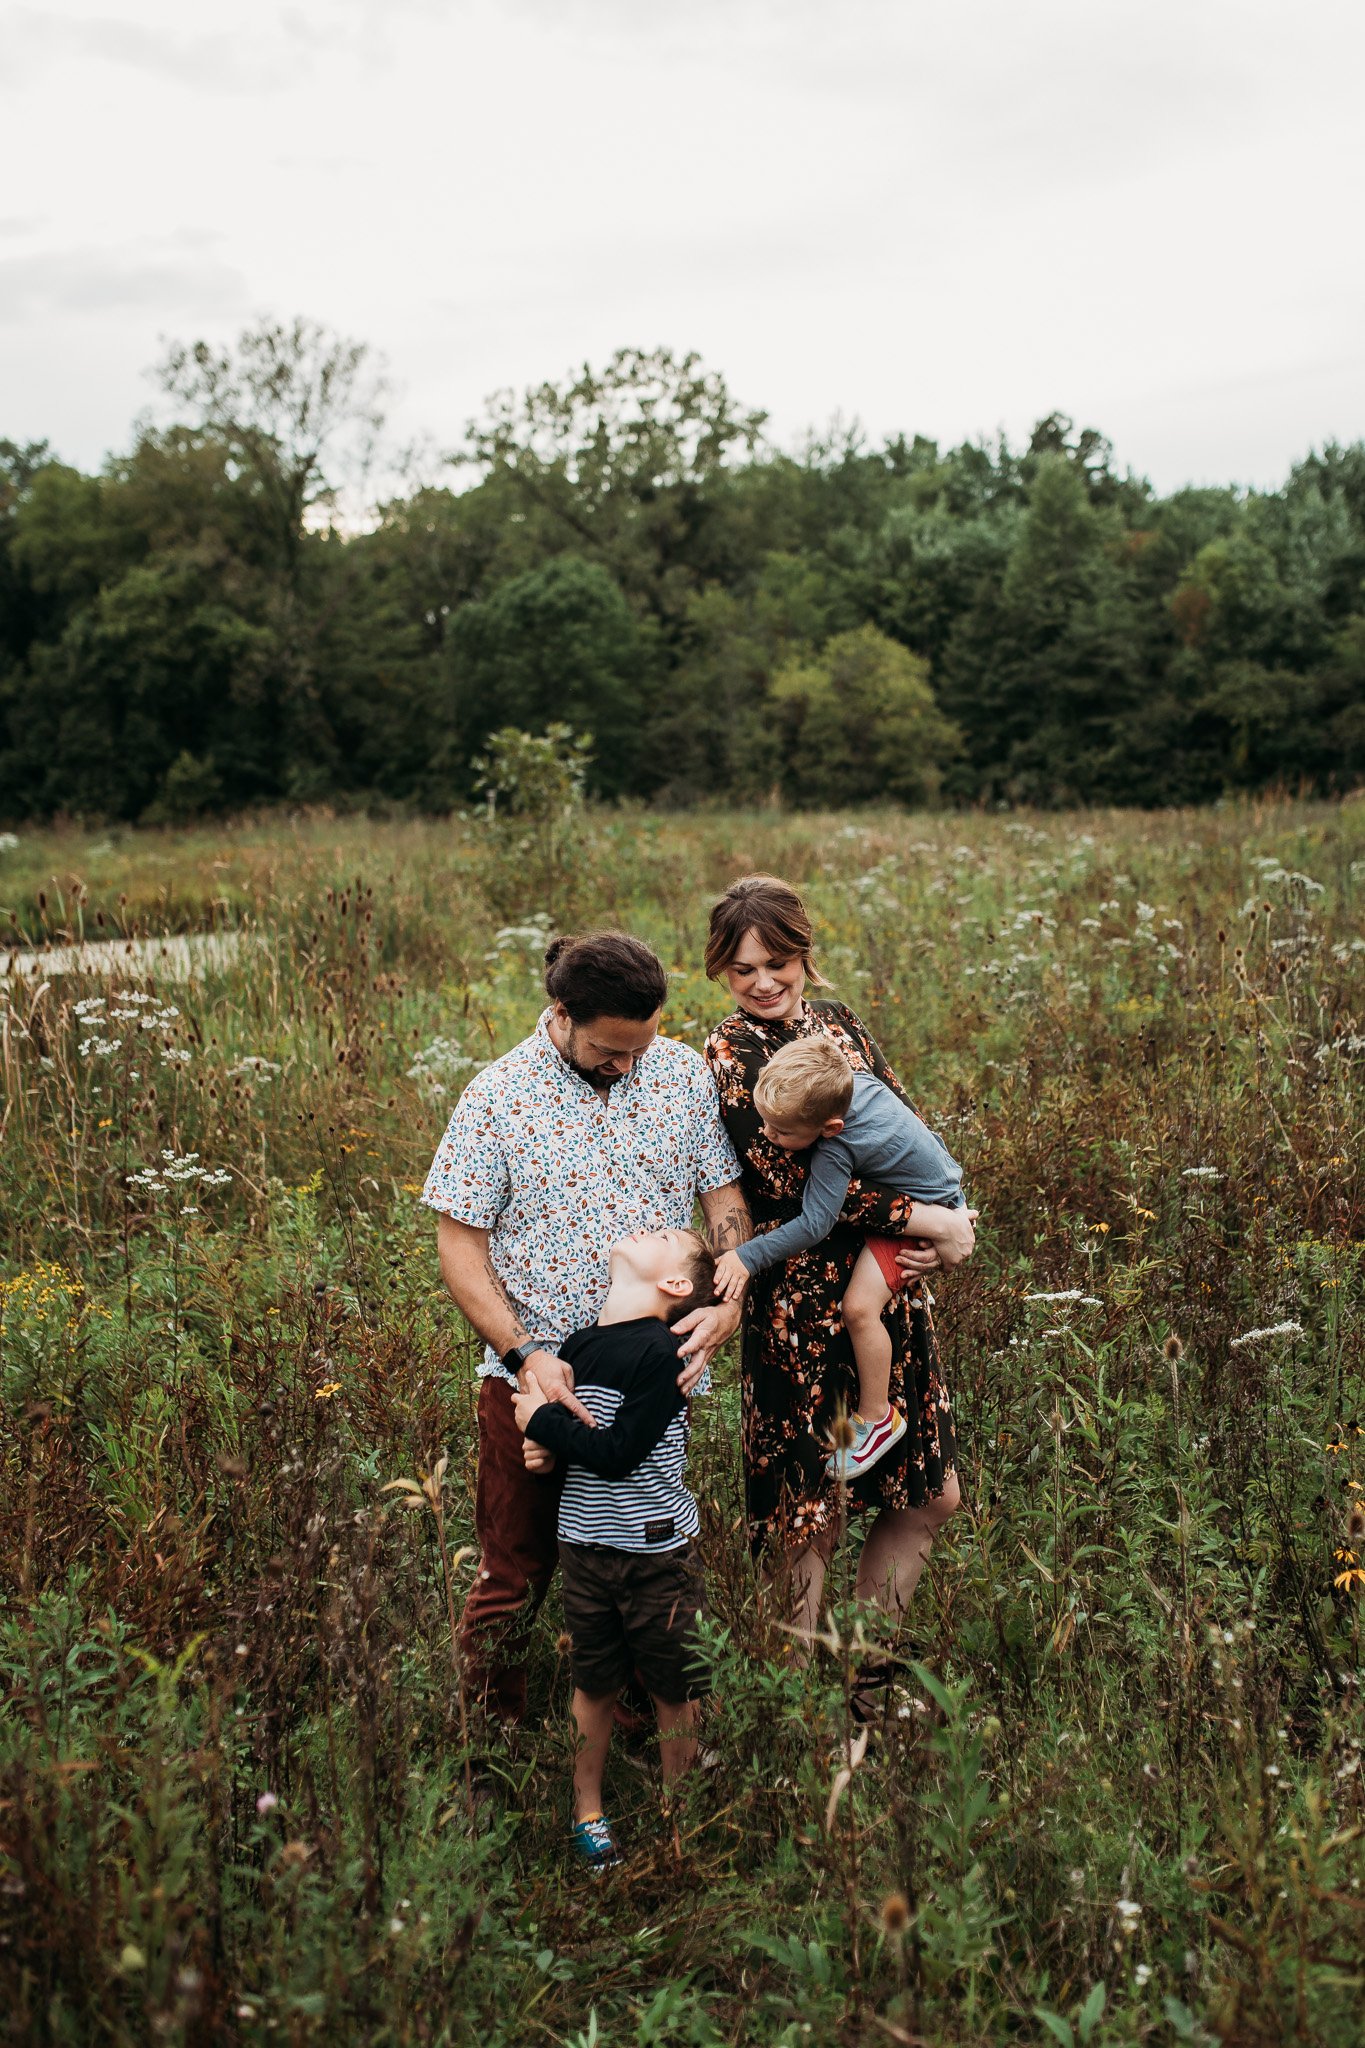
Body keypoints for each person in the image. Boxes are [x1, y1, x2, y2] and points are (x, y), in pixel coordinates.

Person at [422, 930, 751, 1724]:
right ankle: (488, 1746)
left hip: (650, 1377)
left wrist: (728, 1298)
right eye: (609, 1049)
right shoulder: (496, 1098)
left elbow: (724, 1199)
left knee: (647, 1555)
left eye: (640, 1046)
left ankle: (646, 1725)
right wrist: (524, 1355)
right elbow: (459, 1246)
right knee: (517, 1569)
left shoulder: (677, 1074)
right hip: (533, 1380)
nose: (627, 1064)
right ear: (561, 1014)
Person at [702, 874, 966, 1676]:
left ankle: (861, 1677)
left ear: (803, 954)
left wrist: (939, 1227)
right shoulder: (729, 1052)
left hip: (884, 1296)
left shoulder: (838, 1022)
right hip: (800, 1312)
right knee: (807, 1515)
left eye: (777, 961)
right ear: (721, 971)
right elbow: (793, 1184)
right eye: (743, 968)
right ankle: (801, 1708)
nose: (764, 982)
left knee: (928, 1496)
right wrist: (929, 1223)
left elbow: (904, 1130)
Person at [512, 1225, 717, 1873]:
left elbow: (621, 1453)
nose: (645, 1225)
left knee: (671, 1687)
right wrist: (544, 1452)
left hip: (656, 1553)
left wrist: (538, 1423)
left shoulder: (666, 1352)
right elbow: (575, 1445)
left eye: (663, 1232)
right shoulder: (578, 1348)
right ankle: (588, 1816)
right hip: (585, 1548)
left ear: (675, 1285)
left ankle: (680, 1818)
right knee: (592, 1684)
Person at [713, 1036, 976, 1481]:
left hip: (924, 1217)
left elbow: (816, 1223)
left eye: (782, 1131)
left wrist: (747, 1256)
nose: (769, 1135)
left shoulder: (837, 1147)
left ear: (830, 1126)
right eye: (765, 1122)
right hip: (944, 1197)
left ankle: (877, 1418)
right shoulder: (857, 1082)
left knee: (859, 1309)